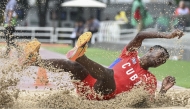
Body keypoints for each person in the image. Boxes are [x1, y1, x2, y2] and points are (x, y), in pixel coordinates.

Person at [20, 29, 183, 100]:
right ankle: (34, 61)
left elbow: (150, 103)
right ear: (151, 49)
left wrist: (162, 90)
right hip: (88, 85)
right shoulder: (129, 55)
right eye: (160, 55)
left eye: (163, 61)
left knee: (108, 74)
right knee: (74, 67)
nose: (160, 60)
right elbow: (140, 35)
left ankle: (80, 56)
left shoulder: (150, 79)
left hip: (102, 94)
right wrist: (167, 36)